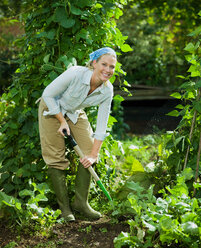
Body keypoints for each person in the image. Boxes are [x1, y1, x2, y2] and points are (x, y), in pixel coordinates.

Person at [38, 47, 117, 222]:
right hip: (51, 108)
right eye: (104, 64)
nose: (108, 70)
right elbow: (48, 94)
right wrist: (61, 120)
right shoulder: (75, 73)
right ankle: (65, 208)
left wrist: (94, 154)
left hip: (74, 111)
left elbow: (102, 124)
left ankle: (81, 204)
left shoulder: (107, 90)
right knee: (56, 156)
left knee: (89, 150)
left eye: (112, 67)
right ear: (94, 63)